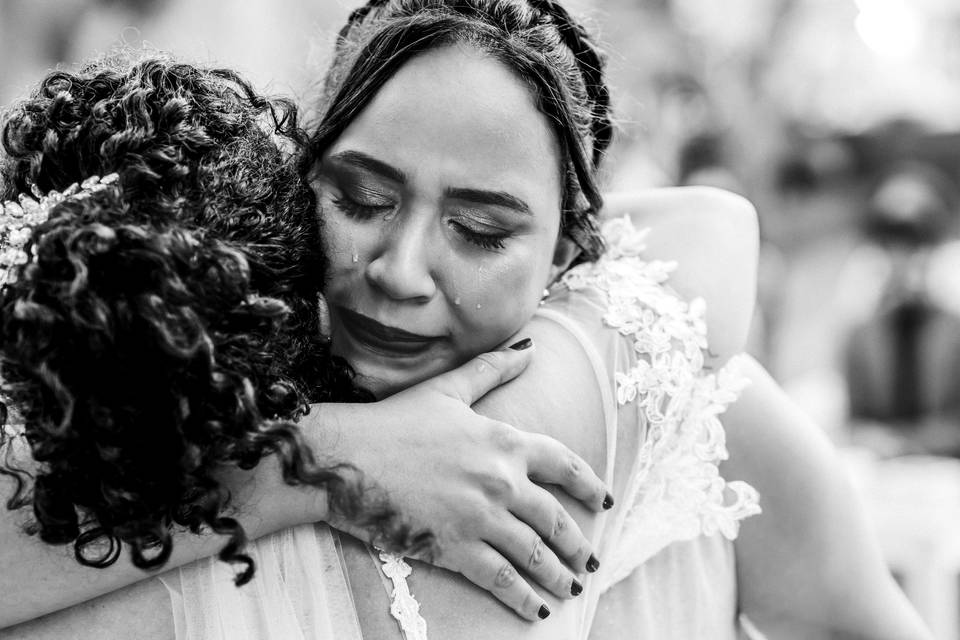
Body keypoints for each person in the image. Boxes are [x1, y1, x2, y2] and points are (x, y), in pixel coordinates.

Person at [1, 1, 931, 639]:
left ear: (572, 254)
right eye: (360, 199)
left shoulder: (686, 409)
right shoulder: (136, 402)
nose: (401, 273)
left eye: (479, 231)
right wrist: (330, 458)